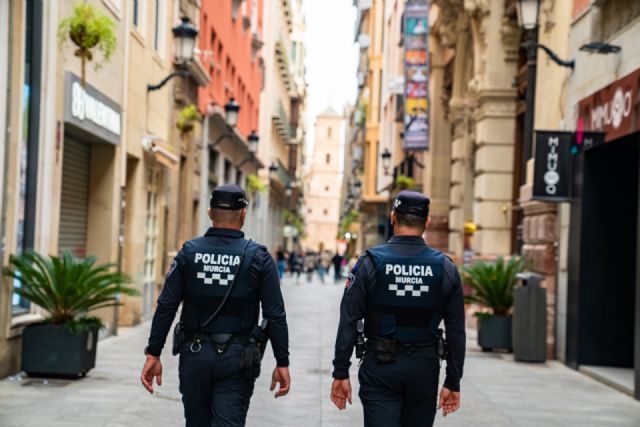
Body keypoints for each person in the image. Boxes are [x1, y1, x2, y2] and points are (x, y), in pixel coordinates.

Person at [140, 184, 291, 426]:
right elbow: (275, 315)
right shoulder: (259, 257)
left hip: (194, 355)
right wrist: (282, 362)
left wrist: (153, 352)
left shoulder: (189, 253)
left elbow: (166, 305)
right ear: (243, 214)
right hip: (238, 359)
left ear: (210, 213)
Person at [330, 190, 465, 427]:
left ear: (392, 217)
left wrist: (341, 371)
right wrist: (453, 381)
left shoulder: (369, 262)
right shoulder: (445, 267)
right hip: (424, 369)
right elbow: (456, 331)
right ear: (427, 222)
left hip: (380, 367)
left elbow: (348, 320)